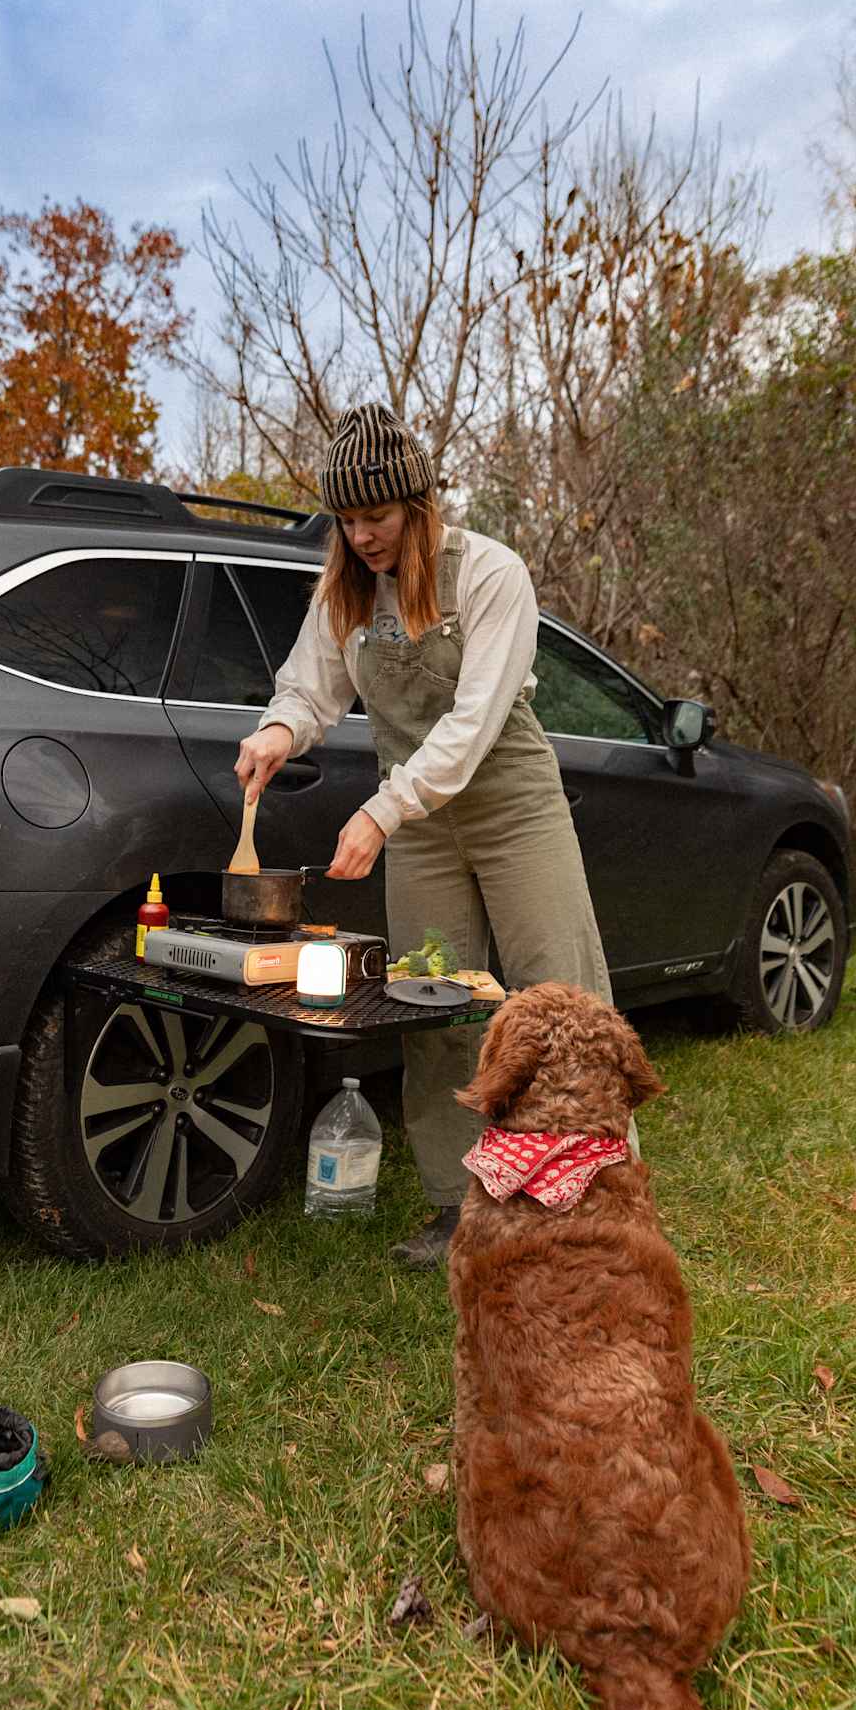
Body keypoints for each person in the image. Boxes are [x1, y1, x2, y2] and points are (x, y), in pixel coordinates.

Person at [235, 402, 617, 1268]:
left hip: (510, 801)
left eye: (378, 515)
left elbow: (477, 720)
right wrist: (277, 732)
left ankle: (594, 1199)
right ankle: (460, 1208)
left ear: (419, 503)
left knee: (561, 998)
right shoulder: (344, 594)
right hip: (418, 821)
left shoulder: (489, 573)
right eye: (349, 519)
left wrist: (382, 809)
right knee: (431, 1002)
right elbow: (309, 688)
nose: (363, 535)